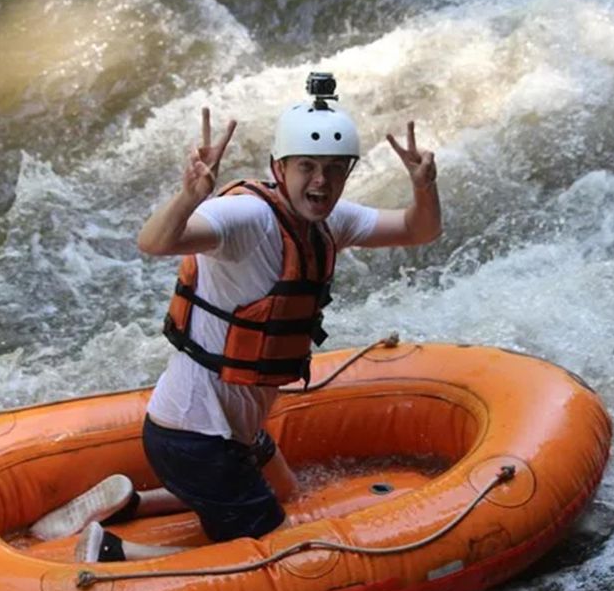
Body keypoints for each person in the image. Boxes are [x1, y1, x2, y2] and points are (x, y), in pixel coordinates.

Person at [33, 73, 442, 562]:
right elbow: (154, 242)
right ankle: (115, 551)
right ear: (278, 167)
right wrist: (190, 196)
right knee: (266, 551)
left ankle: (130, 503)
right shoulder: (246, 218)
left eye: (335, 170)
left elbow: (420, 230)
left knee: (285, 491)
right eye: (307, 167)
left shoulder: (332, 221)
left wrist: (424, 188)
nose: (321, 181)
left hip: (231, 430)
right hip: (192, 437)